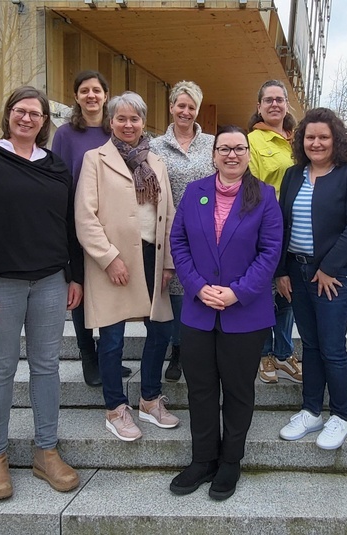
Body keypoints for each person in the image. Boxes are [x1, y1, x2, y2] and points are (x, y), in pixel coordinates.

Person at [0, 86, 82, 501]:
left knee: (46, 368)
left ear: (44, 122)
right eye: (20, 111)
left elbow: (68, 226)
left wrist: (73, 276)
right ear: (8, 115)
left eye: (36, 114)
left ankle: (46, 451)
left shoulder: (56, 168)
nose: (27, 119)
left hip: (49, 283)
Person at [169, 125, 282, 500]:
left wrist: (237, 292)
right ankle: (203, 459)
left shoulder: (264, 196)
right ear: (213, 154)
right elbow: (178, 241)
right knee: (200, 389)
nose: (231, 155)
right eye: (224, 148)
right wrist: (198, 286)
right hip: (199, 311)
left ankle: (231, 461)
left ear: (248, 154)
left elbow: (270, 252)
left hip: (244, 313)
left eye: (239, 148)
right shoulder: (194, 192)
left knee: (237, 391)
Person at [75, 91, 179, 442]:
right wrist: (108, 258)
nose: (128, 124)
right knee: (112, 338)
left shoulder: (157, 163)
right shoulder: (95, 159)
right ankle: (115, 408)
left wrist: (167, 263)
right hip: (114, 262)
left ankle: (150, 399)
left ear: (143, 122)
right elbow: (85, 217)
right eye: (121, 118)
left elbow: (169, 218)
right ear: (111, 121)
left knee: (162, 330)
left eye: (135, 118)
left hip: (152, 257)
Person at [276, 108, 347, 450]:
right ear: (301, 140)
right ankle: (311, 410)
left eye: (323, 137)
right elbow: (281, 225)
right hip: (297, 274)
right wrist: (281, 270)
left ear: (337, 140)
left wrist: (329, 267)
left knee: (331, 347)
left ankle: (341, 416)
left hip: (335, 274)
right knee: (311, 346)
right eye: (309, 137)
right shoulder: (292, 175)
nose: (316, 143)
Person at [51, 70, 131, 386]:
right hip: (76, 222)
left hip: (112, 223)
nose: (91, 96)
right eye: (84, 91)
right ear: (77, 97)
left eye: (96, 90)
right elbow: (57, 177)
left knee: (112, 290)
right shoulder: (65, 134)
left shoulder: (116, 131)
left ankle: (109, 354)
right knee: (80, 289)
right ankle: (88, 354)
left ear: (106, 94)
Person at [150, 80, 214, 382]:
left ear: (197, 110)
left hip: (206, 231)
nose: (186, 111)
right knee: (175, 291)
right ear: (172, 107)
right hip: (169, 230)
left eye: (192, 107)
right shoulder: (154, 146)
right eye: (181, 105)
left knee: (200, 288)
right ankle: (177, 348)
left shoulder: (212, 144)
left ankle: (198, 347)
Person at [247, 79, 302, 385]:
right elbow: (251, 188)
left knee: (288, 293)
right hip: (267, 227)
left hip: (298, 229)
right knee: (266, 291)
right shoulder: (253, 142)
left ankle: (284, 351)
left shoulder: (298, 139)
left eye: (279, 99)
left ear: (286, 105)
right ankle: (265, 353)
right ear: (259, 107)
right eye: (268, 100)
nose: (274, 105)